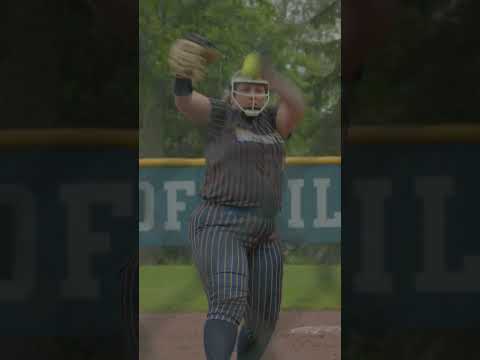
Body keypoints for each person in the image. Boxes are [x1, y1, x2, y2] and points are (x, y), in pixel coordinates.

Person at [169, 34, 305, 359]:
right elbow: (186, 101)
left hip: (265, 232)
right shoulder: (222, 116)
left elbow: (297, 105)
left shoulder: (273, 123)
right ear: (232, 94)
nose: (255, 93)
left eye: (260, 89)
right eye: (247, 87)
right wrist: (182, 76)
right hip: (220, 223)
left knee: (263, 322)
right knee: (229, 297)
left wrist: (270, 73)